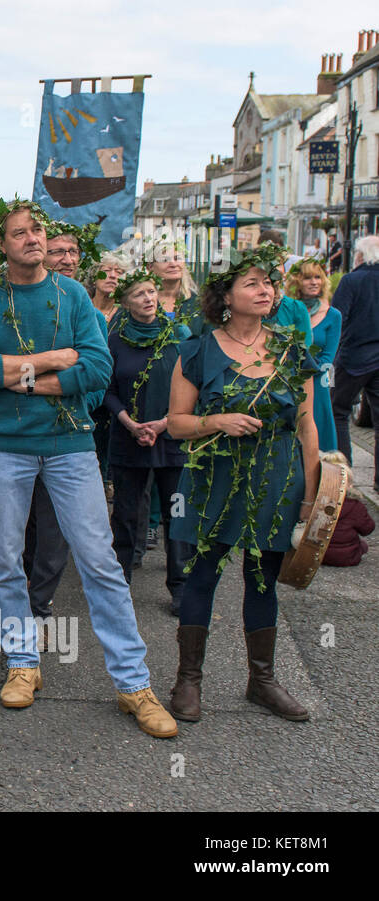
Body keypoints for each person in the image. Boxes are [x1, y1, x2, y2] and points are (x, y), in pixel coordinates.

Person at [0, 198, 177, 738]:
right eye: (19, 233)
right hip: (2, 446)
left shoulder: (74, 294)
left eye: (37, 231)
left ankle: (133, 684)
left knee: (99, 561)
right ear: (1, 244)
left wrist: (18, 377)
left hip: (70, 445)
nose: (32, 239)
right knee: (5, 559)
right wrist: (54, 361)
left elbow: (98, 372)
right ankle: (22, 663)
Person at [167, 245, 319, 723]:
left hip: (277, 477)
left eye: (268, 283)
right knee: (203, 573)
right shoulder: (196, 350)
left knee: (262, 578)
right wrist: (217, 421)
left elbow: (308, 425)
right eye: (252, 283)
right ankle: (188, 680)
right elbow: (175, 424)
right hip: (215, 478)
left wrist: (313, 498)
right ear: (226, 296)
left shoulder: (292, 351)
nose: (265, 290)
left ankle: (263, 680)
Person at [103, 270, 193, 615]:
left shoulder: (179, 337)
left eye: (151, 291)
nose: (148, 298)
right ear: (126, 302)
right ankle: (119, 584)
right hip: (129, 441)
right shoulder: (115, 340)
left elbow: (193, 390)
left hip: (173, 442)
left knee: (178, 514)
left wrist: (166, 422)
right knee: (126, 515)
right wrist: (128, 422)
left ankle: (180, 586)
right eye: (139, 294)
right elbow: (106, 391)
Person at [328, 236, 379, 472]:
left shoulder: (351, 280)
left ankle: (343, 473)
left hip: (353, 358)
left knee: (338, 412)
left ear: (362, 255)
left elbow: (336, 318)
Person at [286, 257, 340, 453]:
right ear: (297, 281)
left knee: (319, 432)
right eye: (308, 277)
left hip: (318, 381)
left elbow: (328, 357)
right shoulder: (288, 310)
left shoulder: (333, 315)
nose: (314, 282)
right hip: (287, 380)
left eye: (318, 277)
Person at [148, 237, 202, 333]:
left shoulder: (198, 303)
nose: (173, 264)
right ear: (150, 266)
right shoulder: (143, 301)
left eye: (177, 258)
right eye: (165, 260)